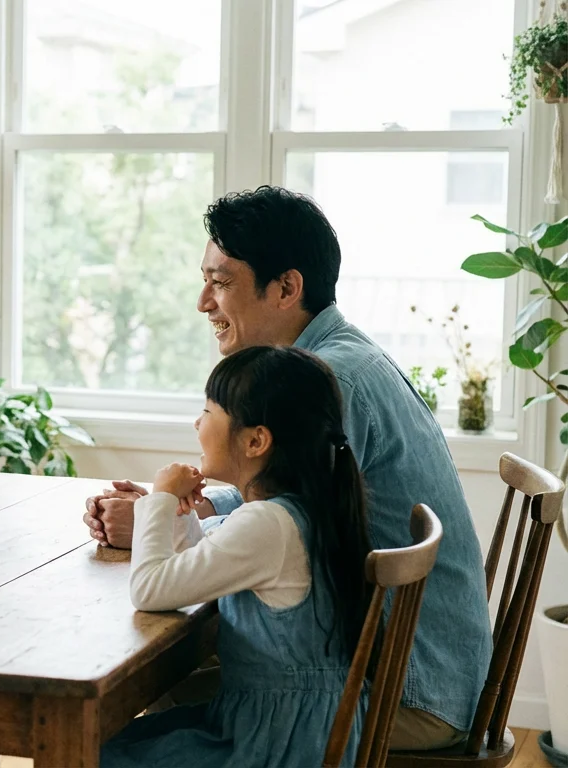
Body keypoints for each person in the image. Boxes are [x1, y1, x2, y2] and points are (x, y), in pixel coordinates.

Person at [84, 186, 491, 750]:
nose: (203, 302)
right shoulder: (329, 365)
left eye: (221, 282)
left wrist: (169, 521)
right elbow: (290, 504)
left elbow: (285, 526)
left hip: (402, 688)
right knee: (173, 692)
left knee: (144, 698)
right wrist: (193, 508)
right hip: (411, 668)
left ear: (286, 288)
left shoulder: (331, 380)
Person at [99, 346, 371, 767]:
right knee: (113, 740)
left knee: (97, 751)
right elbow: (198, 565)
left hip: (278, 745)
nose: (197, 423)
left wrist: (160, 498)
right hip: (299, 727)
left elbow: (149, 589)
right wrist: (176, 514)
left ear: (256, 440)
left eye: (208, 412)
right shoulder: (294, 510)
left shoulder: (267, 524)